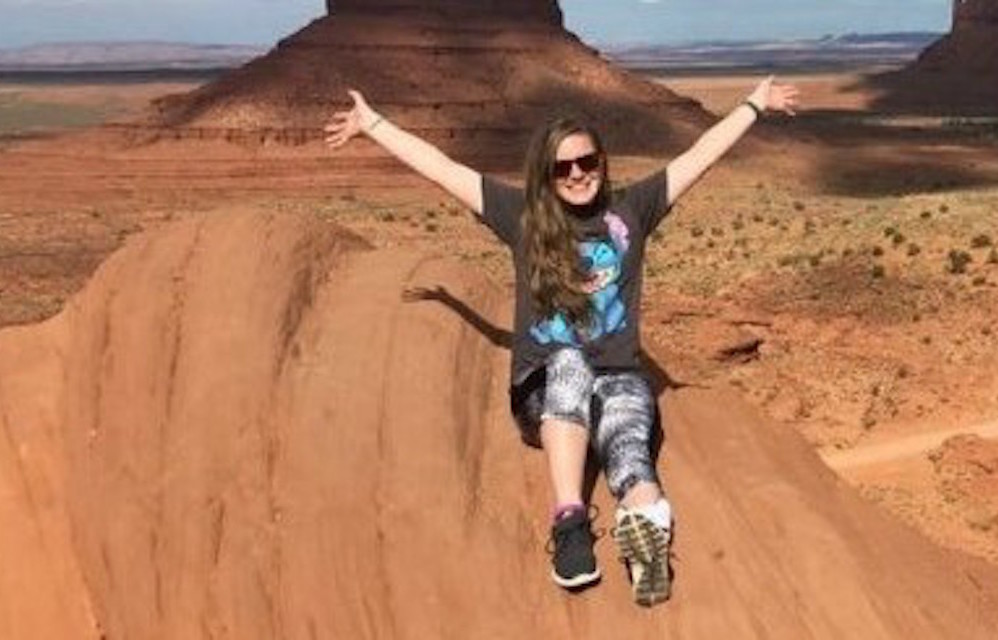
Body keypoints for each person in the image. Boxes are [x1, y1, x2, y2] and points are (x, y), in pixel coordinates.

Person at [323, 77, 800, 606]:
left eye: (587, 162)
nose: (577, 175)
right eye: (563, 167)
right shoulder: (524, 219)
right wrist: (373, 126)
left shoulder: (631, 212)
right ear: (546, 174)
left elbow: (700, 156)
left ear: (602, 162)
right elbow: (445, 170)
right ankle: (570, 522)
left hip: (616, 377)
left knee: (629, 443)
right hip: (545, 393)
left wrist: (755, 103)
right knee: (570, 362)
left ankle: (645, 529)